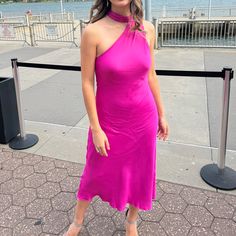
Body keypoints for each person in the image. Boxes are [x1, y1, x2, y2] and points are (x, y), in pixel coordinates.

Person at [64, 0, 169, 235]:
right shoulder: (93, 32)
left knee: (141, 171)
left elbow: (151, 74)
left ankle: (131, 220)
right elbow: (87, 83)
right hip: (108, 121)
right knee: (94, 171)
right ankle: (77, 222)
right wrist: (95, 127)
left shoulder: (148, 29)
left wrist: (162, 113)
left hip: (143, 118)